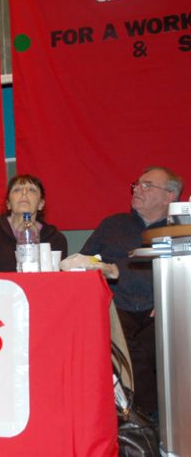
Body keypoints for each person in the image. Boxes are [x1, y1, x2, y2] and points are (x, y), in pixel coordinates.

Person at [81, 166, 182, 416]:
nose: (137, 189)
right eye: (136, 185)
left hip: (162, 308)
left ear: (169, 196)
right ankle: (152, 421)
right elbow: (83, 261)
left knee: (146, 349)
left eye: (147, 185)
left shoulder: (181, 229)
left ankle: (140, 421)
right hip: (116, 307)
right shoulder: (112, 224)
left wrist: (172, 297)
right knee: (126, 346)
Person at [0, 174, 67, 272]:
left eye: (32, 190)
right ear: (8, 204)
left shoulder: (55, 238)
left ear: (40, 204)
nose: (24, 193)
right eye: (17, 190)